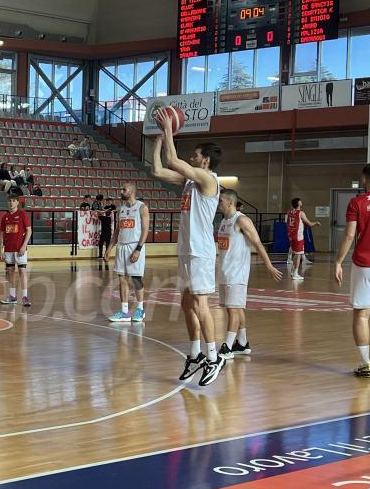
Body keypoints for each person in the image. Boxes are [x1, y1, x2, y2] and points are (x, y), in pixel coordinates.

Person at [151, 110, 226, 387]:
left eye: (194, 156)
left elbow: (173, 160)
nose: (191, 158)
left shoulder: (208, 180)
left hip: (202, 251)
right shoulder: (189, 182)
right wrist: (159, 138)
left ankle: (214, 356)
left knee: (200, 304)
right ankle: (195, 354)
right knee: (185, 303)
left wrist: (169, 128)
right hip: (187, 250)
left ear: (205, 160)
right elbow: (158, 169)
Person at [216, 189, 283, 359]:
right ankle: (242, 343)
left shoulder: (242, 220)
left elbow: (258, 243)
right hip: (224, 271)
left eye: (221, 201)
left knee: (233, 309)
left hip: (237, 273)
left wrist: (269, 265)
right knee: (234, 308)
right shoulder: (224, 221)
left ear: (230, 202)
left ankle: (228, 346)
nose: (218, 204)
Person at [334, 163, 370, 378]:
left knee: (362, 315)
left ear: (365, 178)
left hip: (365, 265)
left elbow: (350, 236)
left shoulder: (357, 202)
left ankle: (366, 364)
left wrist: (339, 261)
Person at [106, 182, 149, 323]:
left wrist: (138, 249)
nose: (121, 191)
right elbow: (117, 231)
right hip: (122, 247)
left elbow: (145, 231)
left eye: (124, 189)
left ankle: (140, 309)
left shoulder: (142, 207)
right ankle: (125, 312)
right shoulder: (121, 209)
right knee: (122, 279)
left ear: (131, 191)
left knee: (136, 279)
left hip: (134, 246)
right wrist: (109, 248)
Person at [0, 194, 32, 306]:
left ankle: (25, 296)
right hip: (8, 249)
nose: (11, 202)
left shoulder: (22, 214)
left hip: (20, 249)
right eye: (10, 201)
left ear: (17, 202)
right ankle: (12, 296)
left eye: (13, 201)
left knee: (22, 271)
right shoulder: (5, 217)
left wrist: (24, 246)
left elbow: (29, 231)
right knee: (10, 272)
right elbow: (2, 233)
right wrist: (1, 249)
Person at [286, 198, 320, 282]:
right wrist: (316, 223)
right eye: (300, 201)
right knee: (298, 255)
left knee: (295, 254)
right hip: (298, 236)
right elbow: (309, 223)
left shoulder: (289, 212)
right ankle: (295, 274)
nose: (301, 201)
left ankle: (293, 271)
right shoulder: (301, 213)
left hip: (291, 235)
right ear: (298, 203)